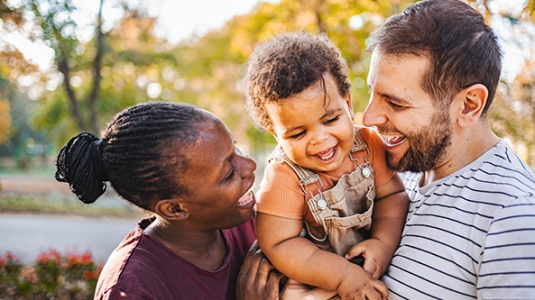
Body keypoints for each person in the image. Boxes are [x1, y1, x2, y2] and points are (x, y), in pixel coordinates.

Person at [362, 0, 535, 299]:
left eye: (395, 103)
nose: (368, 118)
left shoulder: (514, 215)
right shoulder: (400, 171)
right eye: (372, 92)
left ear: (468, 105)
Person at [55, 102, 290, 299]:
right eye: (228, 174)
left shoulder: (254, 221)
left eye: (235, 149)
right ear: (175, 208)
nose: (250, 166)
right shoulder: (132, 288)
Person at [244, 30, 409, 300]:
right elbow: (279, 243)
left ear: (347, 102)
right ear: (276, 134)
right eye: (298, 134)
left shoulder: (368, 145)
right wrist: (342, 275)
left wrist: (382, 243)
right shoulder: (284, 174)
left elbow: (393, 196)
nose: (320, 140)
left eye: (330, 120)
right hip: (314, 281)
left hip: (365, 266)